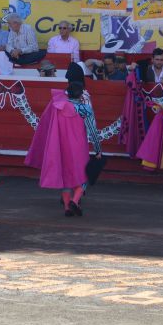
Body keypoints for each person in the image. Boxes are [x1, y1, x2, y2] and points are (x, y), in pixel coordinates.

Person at [24, 64, 102, 217]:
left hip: (62, 144)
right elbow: (92, 128)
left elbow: (47, 124)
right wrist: (98, 149)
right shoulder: (84, 104)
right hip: (79, 145)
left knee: (66, 176)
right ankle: (75, 200)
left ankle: (67, 207)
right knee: (85, 174)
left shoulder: (58, 102)